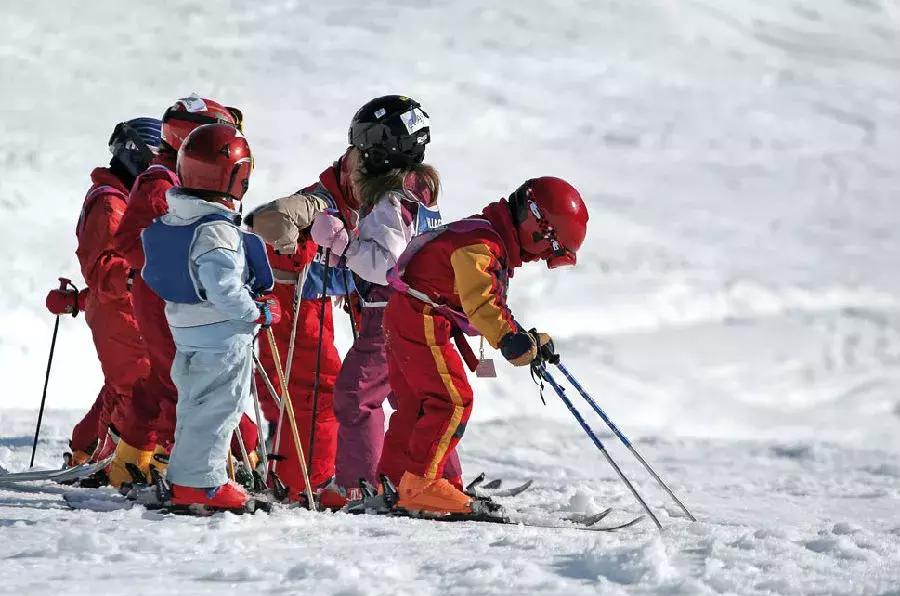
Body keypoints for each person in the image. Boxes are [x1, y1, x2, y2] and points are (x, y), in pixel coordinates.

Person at [376, 176, 589, 515]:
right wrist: (507, 339)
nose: (539, 259)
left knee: (418, 404)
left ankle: (395, 481)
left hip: (411, 314)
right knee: (451, 400)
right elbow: (482, 301)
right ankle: (421, 485)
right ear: (537, 227)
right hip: (421, 317)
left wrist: (524, 336)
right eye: (547, 250)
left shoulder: (487, 237)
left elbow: (485, 301)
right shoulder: (481, 244)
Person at [308, 95, 454, 508]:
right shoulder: (419, 190)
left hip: (388, 315)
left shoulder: (391, 199)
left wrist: (343, 242)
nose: (354, 151)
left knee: (356, 396)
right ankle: (439, 477)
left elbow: (385, 266)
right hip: (416, 311)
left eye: (362, 141)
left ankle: (358, 484)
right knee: (415, 398)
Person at [106, 95, 258, 488]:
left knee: (165, 377)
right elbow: (132, 241)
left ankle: (132, 461)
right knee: (183, 377)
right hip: (166, 292)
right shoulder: (162, 182)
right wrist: (179, 267)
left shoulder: (172, 178)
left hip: (169, 289)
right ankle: (178, 463)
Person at [141, 123, 278, 510]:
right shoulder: (217, 231)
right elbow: (223, 288)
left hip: (184, 327)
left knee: (194, 403)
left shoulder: (176, 218)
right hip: (221, 332)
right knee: (221, 405)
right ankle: (200, 484)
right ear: (237, 177)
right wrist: (258, 313)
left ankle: (187, 475)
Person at [45, 118, 160, 466]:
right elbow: (105, 267)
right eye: (155, 159)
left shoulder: (122, 198)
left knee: (121, 388)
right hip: (120, 314)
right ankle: (119, 462)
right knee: (140, 389)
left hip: (121, 308)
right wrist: (144, 276)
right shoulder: (111, 204)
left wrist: (78, 301)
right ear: (135, 155)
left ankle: (86, 449)